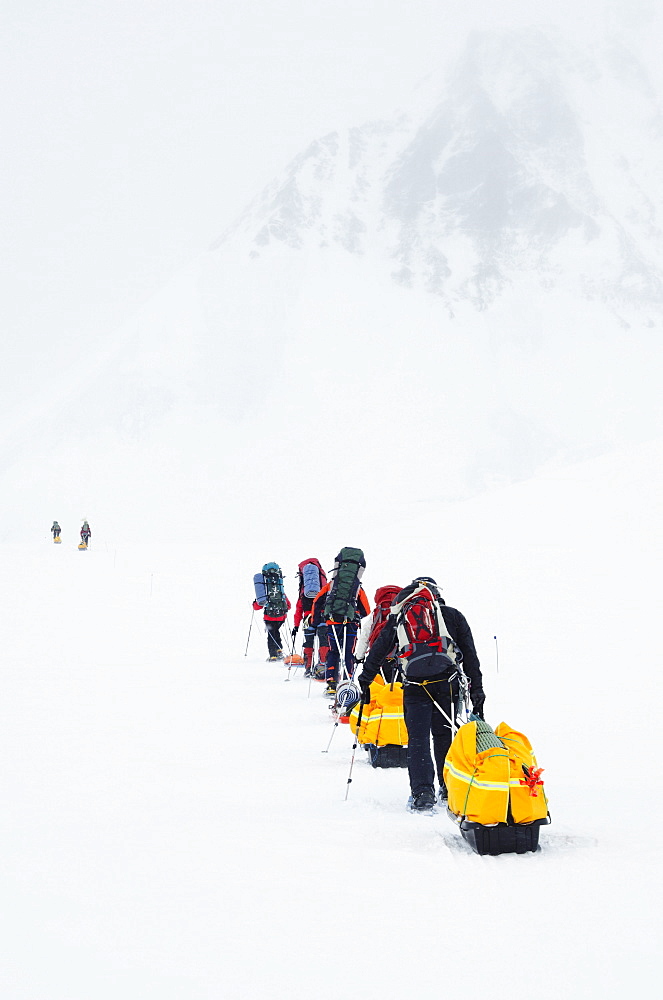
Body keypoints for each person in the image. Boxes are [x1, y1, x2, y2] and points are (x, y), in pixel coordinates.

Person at [357, 576, 484, 813]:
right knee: (444, 734)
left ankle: (422, 794)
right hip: (447, 683)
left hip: (415, 686)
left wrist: (365, 681)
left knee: (418, 739)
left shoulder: (400, 618)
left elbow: (378, 650)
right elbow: (470, 656)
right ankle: (448, 787)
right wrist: (477, 689)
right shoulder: (453, 616)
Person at [312, 561, 371, 697]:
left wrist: (316, 621)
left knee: (333, 652)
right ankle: (347, 682)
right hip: (351, 624)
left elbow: (316, 601)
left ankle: (331, 684)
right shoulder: (357, 587)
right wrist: (355, 615)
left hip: (332, 622)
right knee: (349, 652)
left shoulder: (331, 585)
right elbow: (367, 610)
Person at [291, 558, 327, 676]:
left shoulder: (304, 590)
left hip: (308, 619)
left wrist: (296, 626)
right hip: (322, 617)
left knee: (308, 643)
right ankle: (323, 666)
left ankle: (308, 668)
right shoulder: (322, 585)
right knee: (323, 642)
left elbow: (298, 609)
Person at [252, 562, 291, 661]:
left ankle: (273, 655)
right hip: (281, 615)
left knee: (271, 634)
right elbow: (289, 605)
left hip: (269, 616)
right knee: (276, 631)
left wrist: (254, 604)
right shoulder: (280, 588)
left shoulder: (265, 590)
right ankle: (279, 650)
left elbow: (258, 606)